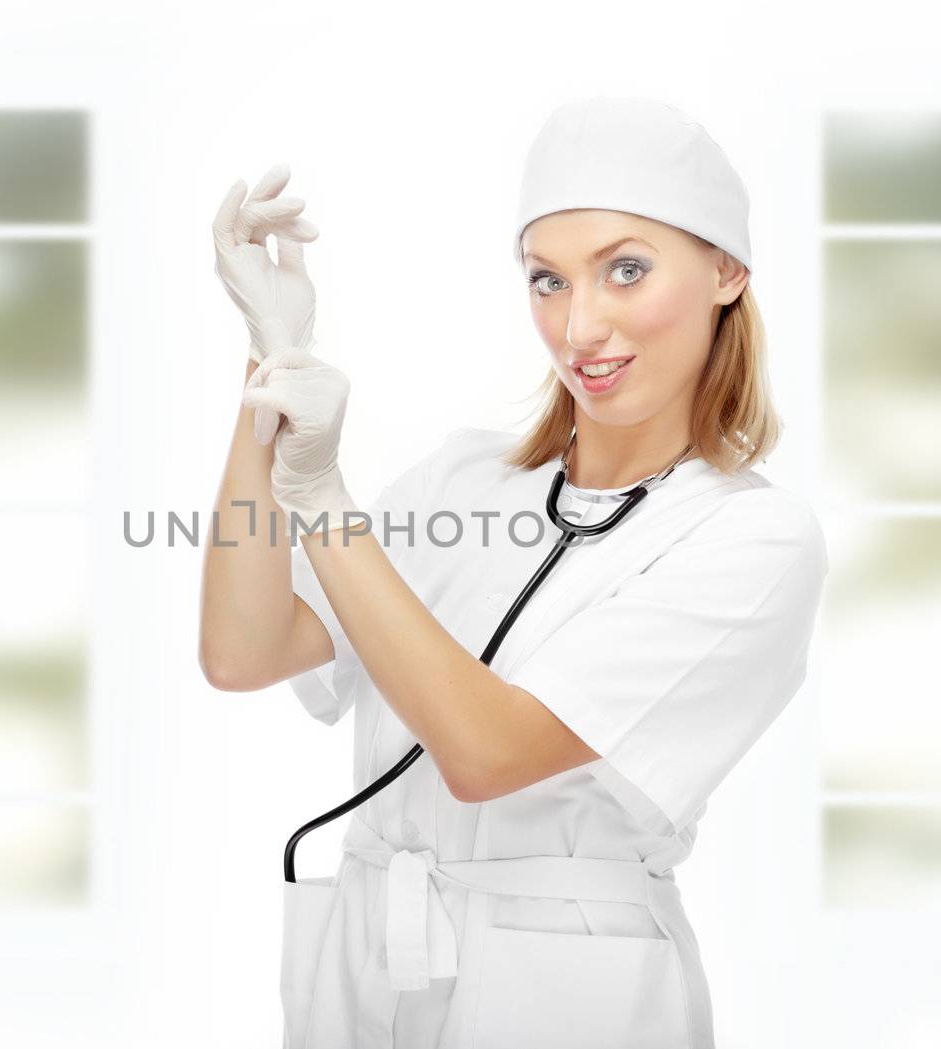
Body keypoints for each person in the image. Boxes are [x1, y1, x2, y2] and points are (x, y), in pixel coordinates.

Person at [200, 96, 829, 1049]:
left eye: (627, 270)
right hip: (368, 972)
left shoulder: (751, 539)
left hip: (566, 994)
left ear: (726, 271)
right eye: (548, 280)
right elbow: (243, 649)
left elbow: (486, 753)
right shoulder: (464, 476)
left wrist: (323, 499)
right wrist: (270, 365)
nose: (581, 326)